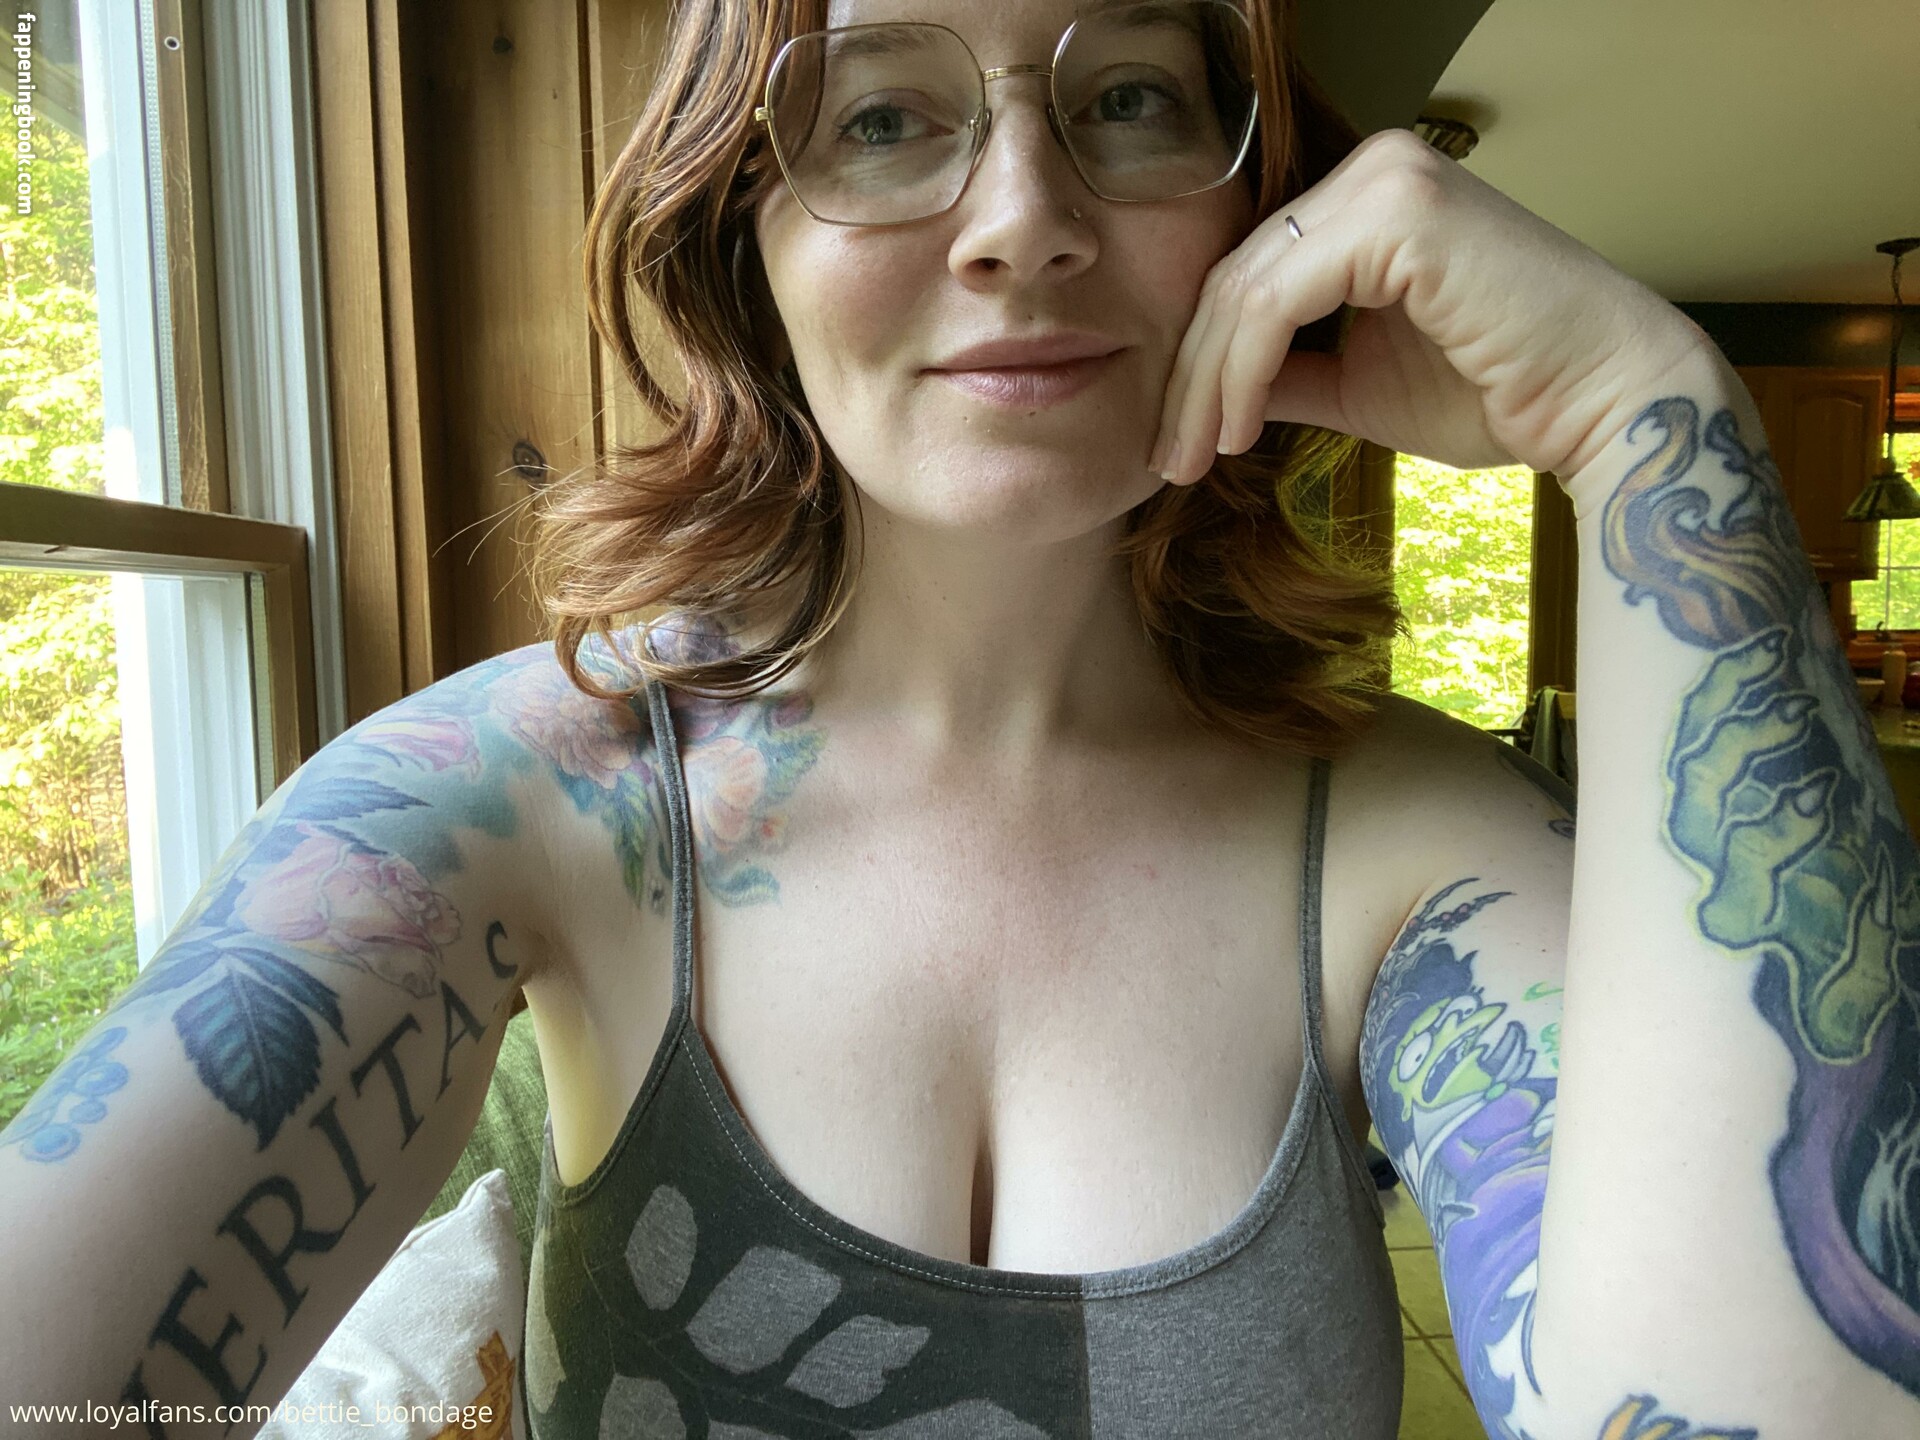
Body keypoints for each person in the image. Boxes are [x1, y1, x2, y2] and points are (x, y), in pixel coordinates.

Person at [3, 2, 1916, 1437]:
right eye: (882, 114)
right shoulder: (512, 800)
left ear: (1269, 212)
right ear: (742, 230)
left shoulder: (1427, 844)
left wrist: (1651, 422)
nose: (1021, 219)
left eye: (1130, 98)